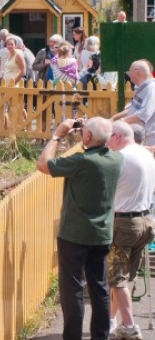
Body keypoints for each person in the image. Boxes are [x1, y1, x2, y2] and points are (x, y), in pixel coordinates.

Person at [36, 117, 122, 340]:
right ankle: (100, 336)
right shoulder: (116, 160)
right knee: (100, 289)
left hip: (74, 235)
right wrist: (88, 132)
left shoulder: (82, 162)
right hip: (102, 234)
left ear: (87, 137)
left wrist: (58, 135)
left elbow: (43, 164)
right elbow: (98, 144)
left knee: (72, 290)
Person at [105, 120, 155, 340]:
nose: (107, 143)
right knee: (125, 278)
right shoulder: (145, 155)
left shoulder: (121, 157)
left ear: (117, 137)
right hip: (145, 221)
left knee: (116, 279)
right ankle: (110, 322)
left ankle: (130, 326)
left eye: (108, 138)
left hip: (124, 224)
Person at [112, 60, 155, 146]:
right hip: (141, 137)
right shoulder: (142, 88)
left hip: (148, 139)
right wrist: (113, 118)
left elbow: (144, 113)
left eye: (130, 71)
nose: (128, 73)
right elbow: (132, 109)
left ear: (137, 73)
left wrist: (122, 121)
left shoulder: (151, 89)